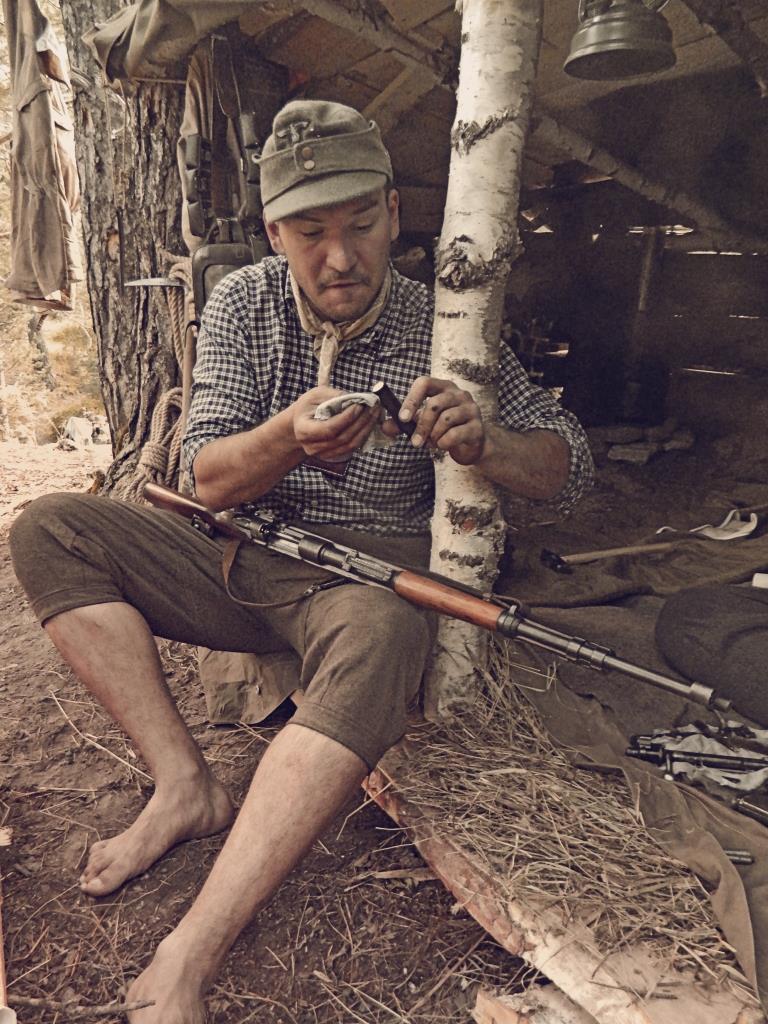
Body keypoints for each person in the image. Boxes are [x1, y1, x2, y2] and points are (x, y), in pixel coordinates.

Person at [9, 100, 594, 1022]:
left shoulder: (449, 322)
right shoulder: (243, 302)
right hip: (243, 555)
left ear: (393, 214)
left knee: (384, 633)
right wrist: (285, 439)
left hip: (367, 581)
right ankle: (184, 785)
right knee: (50, 529)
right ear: (275, 233)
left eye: (360, 223)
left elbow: (571, 469)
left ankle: (192, 950)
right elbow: (203, 476)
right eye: (311, 233)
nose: (340, 257)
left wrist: (489, 442)